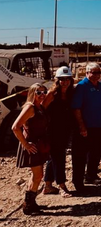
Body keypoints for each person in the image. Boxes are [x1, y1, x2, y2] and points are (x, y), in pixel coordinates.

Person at [12, 83, 50, 215]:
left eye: (43, 91)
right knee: (38, 175)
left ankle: (30, 202)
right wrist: (26, 145)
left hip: (39, 145)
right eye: (38, 92)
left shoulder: (39, 107)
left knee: (36, 175)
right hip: (32, 147)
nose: (41, 95)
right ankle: (28, 205)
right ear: (32, 93)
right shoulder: (30, 107)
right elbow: (15, 127)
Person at [71, 62, 101, 193]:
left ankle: (91, 175)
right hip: (87, 127)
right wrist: (82, 126)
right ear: (87, 73)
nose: (95, 75)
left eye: (98, 72)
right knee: (80, 155)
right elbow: (76, 108)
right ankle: (78, 182)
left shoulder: (99, 85)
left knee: (96, 152)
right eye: (92, 72)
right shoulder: (82, 87)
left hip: (100, 126)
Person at [42, 67, 75, 198]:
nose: (65, 82)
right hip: (53, 130)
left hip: (65, 129)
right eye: (62, 79)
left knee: (54, 157)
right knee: (59, 157)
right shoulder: (52, 94)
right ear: (57, 80)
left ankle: (48, 185)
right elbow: (42, 110)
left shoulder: (70, 93)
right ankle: (62, 186)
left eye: (67, 79)